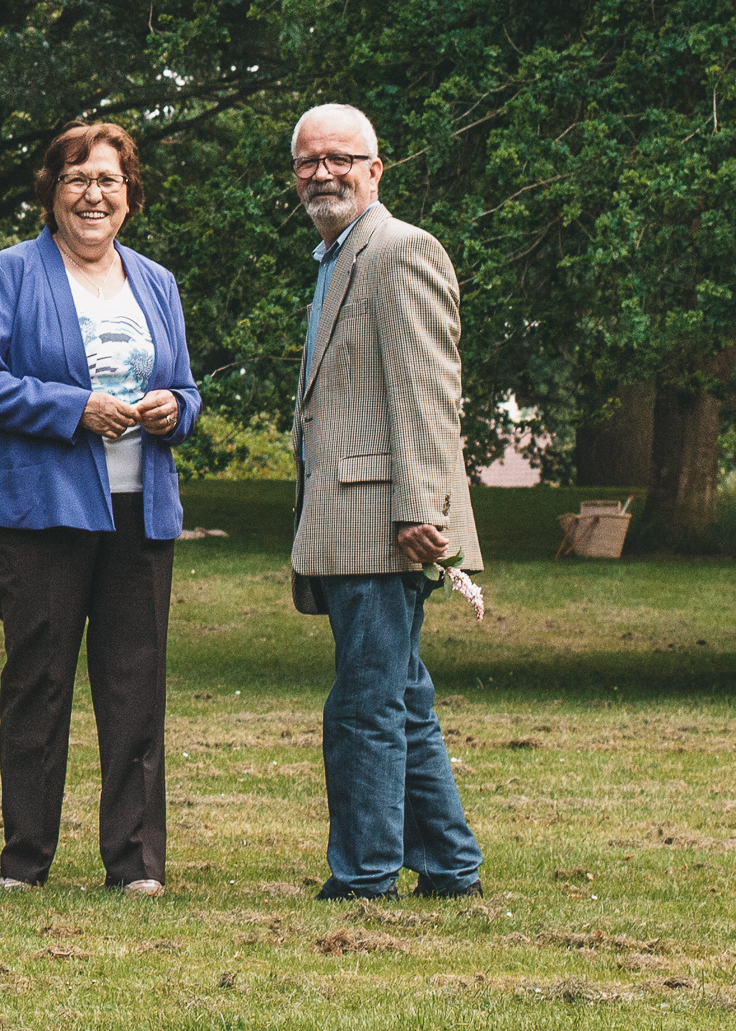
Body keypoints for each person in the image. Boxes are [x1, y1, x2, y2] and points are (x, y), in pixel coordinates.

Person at [0, 121, 201, 896]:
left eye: (109, 181)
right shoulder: (7, 273)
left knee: (135, 689)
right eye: (77, 178)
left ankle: (134, 865)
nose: (93, 194)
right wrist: (73, 407)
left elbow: (188, 390)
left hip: (140, 512)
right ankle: (25, 861)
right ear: (50, 191)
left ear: (128, 196)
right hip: (41, 513)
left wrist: (171, 410)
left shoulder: (154, 282)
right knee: (40, 684)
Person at [286, 102, 486, 901]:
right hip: (347, 521)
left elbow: (428, 394)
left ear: (375, 167)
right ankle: (448, 868)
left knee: (363, 709)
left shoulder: (401, 250)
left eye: (340, 158)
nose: (322, 173)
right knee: (399, 700)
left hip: (385, 524)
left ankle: (363, 878)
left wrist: (420, 510)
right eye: (308, 161)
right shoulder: (337, 255)